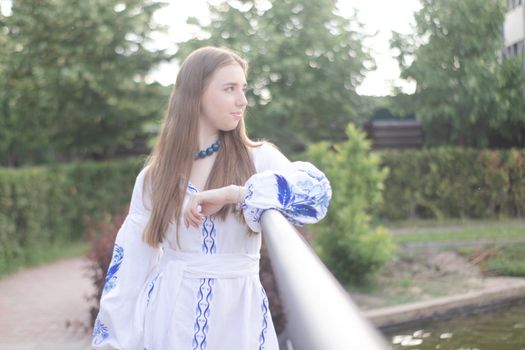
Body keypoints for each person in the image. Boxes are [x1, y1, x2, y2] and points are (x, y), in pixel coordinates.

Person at [92, 46, 332, 350]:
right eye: (229, 89)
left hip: (236, 318)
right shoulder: (154, 178)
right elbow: (127, 272)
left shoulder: (258, 160)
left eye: (243, 89)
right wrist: (112, 343)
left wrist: (237, 194)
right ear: (196, 95)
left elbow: (316, 196)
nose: (242, 100)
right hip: (169, 317)